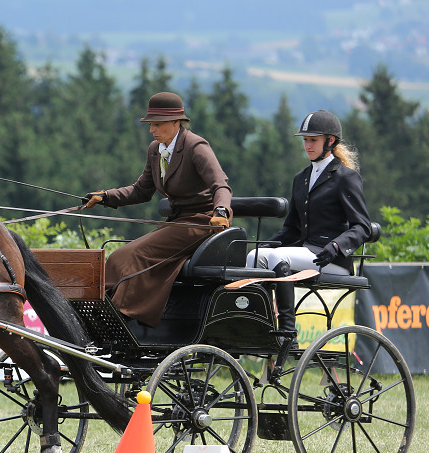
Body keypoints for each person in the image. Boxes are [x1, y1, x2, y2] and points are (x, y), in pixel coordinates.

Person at [82, 92, 232, 327]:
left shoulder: (196, 146)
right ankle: (106, 305)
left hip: (201, 223)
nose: (152, 130)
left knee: (138, 255)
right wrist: (106, 196)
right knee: (118, 256)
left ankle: (123, 315)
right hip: (177, 222)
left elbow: (220, 184)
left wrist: (221, 212)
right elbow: (141, 190)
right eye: (150, 124)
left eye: (157, 124)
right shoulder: (156, 149)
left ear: (177, 123)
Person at [246, 109, 371, 335]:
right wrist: (263, 246)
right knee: (254, 256)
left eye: (313, 140)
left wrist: (336, 246)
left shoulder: (345, 177)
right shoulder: (301, 178)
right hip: (306, 254)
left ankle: (286, 331)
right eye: (305, 140)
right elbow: (291, 229)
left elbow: (362, 226)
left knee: (277, 256)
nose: (308, 146)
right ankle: (259, 323)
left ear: (330, 141)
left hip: (332, 259)